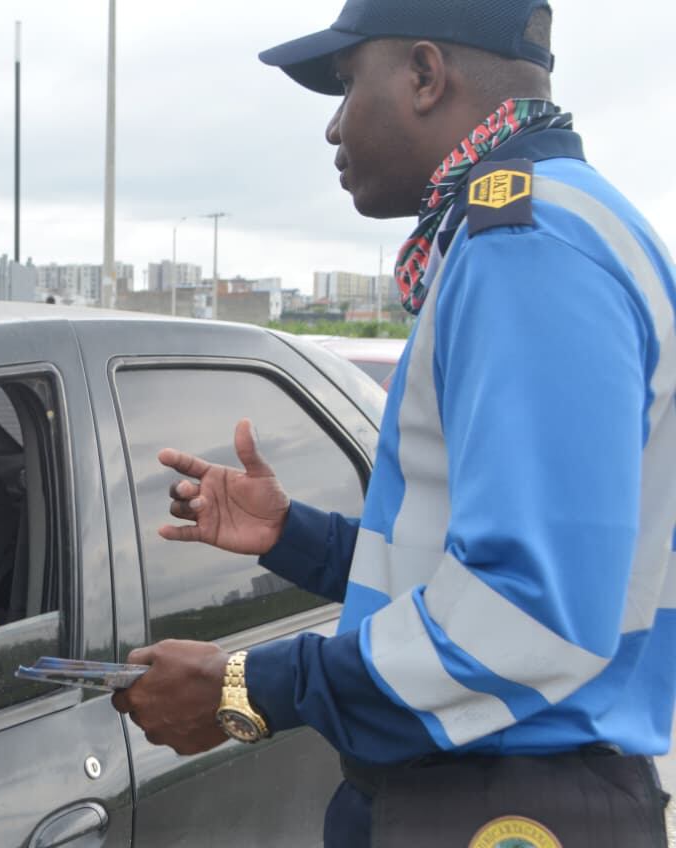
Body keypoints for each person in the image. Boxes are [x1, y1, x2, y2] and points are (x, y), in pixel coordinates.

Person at [110, 1, 676, 846]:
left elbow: (529, 615)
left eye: (344, 86)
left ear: (423, 74)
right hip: (498, 783)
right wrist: (294, 536)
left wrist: (247, 686)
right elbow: (473, 568)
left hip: (505, 799)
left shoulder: (527, 246)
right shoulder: (540, 226)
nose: (334, 127)